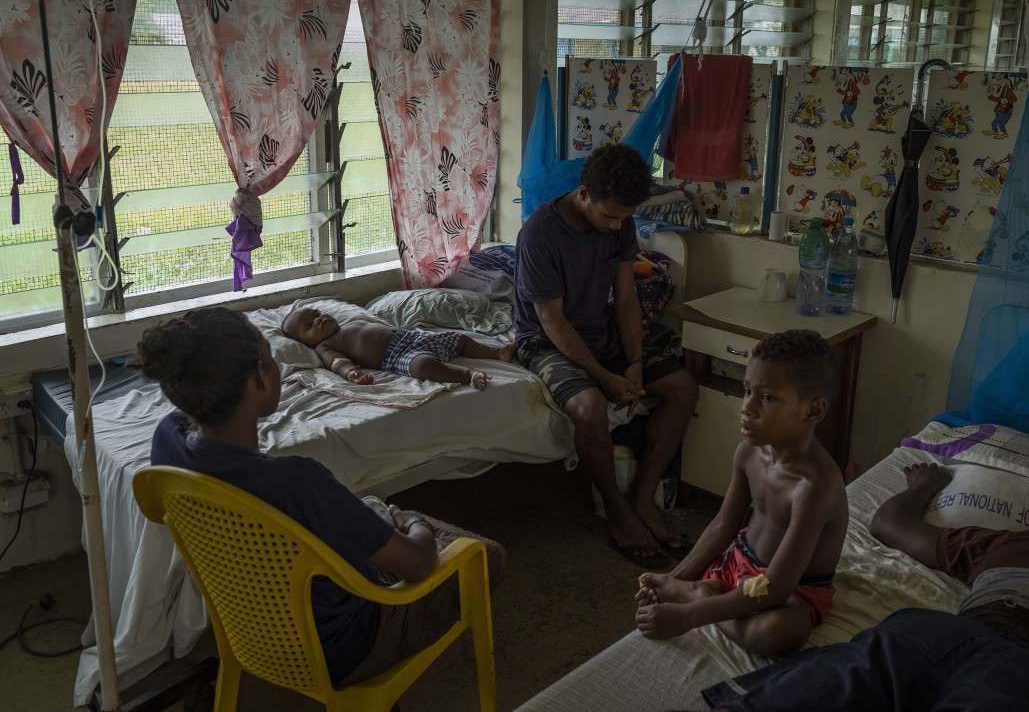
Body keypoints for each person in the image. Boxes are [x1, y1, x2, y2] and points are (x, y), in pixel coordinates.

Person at [133, 306, 507, 687]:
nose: (277, 367)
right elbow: (418, 565)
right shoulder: (298, 483)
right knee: (483, 555)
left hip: (249, 637)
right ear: (257, 379)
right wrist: (415, 522)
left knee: (370, 518)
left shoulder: (168, 440)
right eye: (271, 359)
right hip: (343, 649)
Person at [699, 463, 1029, 712]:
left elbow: (888, 523)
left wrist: (921, 486)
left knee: (844, 678)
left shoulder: (1010, 545)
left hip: (939, 637)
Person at [514, 143, 699, 569]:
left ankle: (643, 495)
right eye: (609, 215)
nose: (616, 224)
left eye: (623, 217)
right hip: (544, 339)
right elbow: (552, 320)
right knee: (590, 405)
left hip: (599, 331)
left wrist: (633, 363)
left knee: (681, 387)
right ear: (583, 194)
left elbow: (627, 296)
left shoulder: (620, 222)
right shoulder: (540, 234)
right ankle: (617, 510)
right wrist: (601, 376)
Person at [634, 330, 848, 658]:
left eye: (767, 397)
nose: (746, 407)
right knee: (737, 598)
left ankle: (703, 598)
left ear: (813, 411)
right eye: (747, 390)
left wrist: (688, 614)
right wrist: (673, 580)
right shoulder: (749, 453)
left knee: (778, 635)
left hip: (789, 587)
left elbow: (776, 587)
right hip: (738, 563)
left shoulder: (816, 486)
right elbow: (723, 525)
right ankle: (706, 594)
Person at [282, 304, 516, 390]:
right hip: (396, 357)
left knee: (458, 339)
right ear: (305, 342)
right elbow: (337, 363)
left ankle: (497, 352)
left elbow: (383, 327)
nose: (319, 319)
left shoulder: (349, 322)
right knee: (424, 366)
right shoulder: (325, 346)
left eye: (317, 314)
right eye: (309, 325)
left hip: (408, 337)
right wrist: (351, 373)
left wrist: (414, 327)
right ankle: (468, 375)